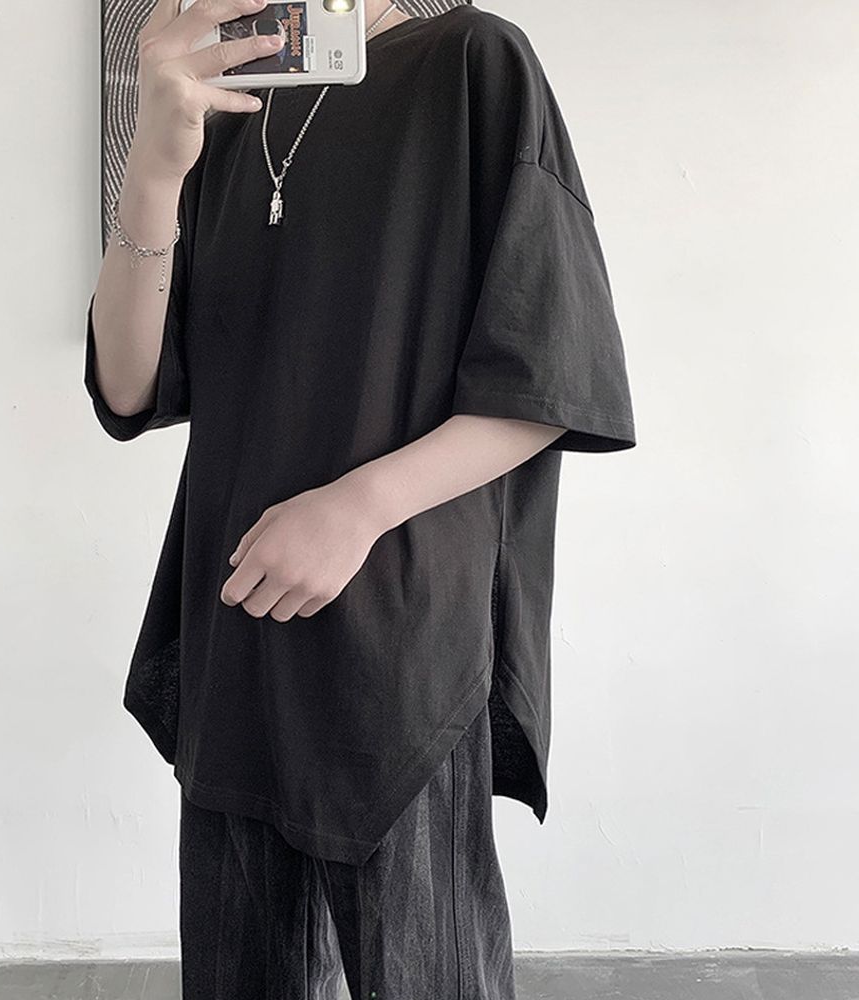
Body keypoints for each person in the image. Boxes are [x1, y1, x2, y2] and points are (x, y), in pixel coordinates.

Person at [84, 0, 637, 996]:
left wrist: (355, 507)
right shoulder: (226, 109)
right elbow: (128, 386)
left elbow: (551, 371)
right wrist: (154, 169)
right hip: (237, 621)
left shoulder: (472, 62)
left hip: (397, 636)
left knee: (428, 971)